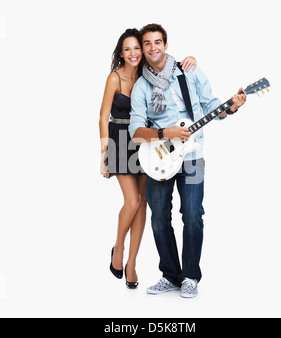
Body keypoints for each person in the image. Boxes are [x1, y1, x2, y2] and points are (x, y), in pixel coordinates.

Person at [129, 23, 247, 298]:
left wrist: (230, 107)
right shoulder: (141, 87)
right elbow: (135, 131)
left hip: (193, 155)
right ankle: (170, 275)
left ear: (166, 45)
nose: (153, 47)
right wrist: (163, 132)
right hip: (158, 157)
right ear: (144, 49)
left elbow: (210, 106)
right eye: (147, 43)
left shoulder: (189, 70)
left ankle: (191, 276)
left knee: (193, 215)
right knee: (159, 218)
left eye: (158, 42)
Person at [99, 28, 197, 289]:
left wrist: (190, 60)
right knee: (131, 202)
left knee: (143, 204)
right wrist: (104, 154)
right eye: (127, 48)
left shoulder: (149, 75)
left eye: (136, 48)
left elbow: (170, 65)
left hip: (148, 143)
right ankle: (118, 248)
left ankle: (132, 263)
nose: (134, 53)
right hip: (120, 140)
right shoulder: (115, 78)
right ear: (121, 53)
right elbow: (102, 117)